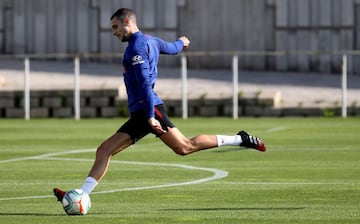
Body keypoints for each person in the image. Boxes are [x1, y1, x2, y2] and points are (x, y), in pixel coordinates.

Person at [53, 8, 266, 201]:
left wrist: (150, 116)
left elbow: (145, 84)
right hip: (143, 112)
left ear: (127, 21)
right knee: (105, 150)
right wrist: (181, 43)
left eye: (115, 27)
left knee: (185, 146)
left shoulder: (135, 49)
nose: (114, 32)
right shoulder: (151, 41)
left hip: (148, 109)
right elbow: (172, 48)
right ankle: (80, 195)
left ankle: (240, 139)